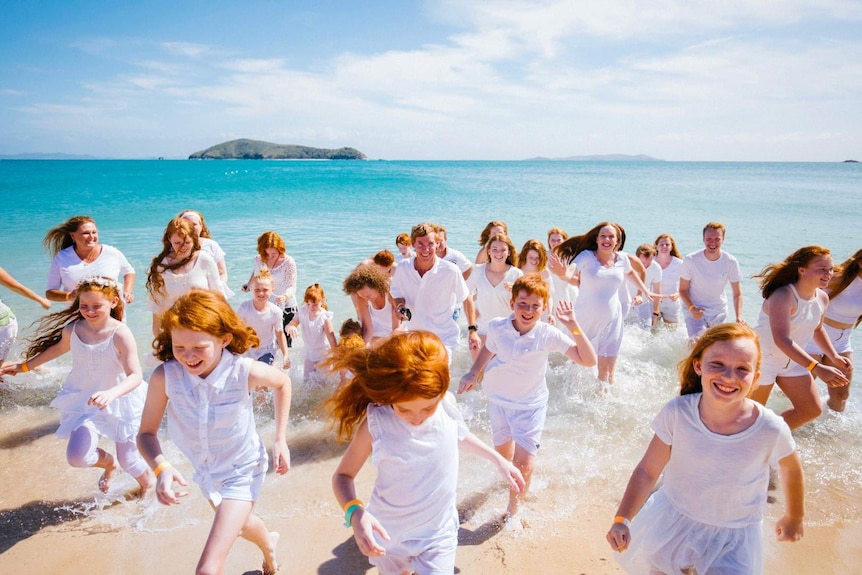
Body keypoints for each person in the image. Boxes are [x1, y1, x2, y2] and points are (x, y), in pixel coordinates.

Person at [606, 323, 804, 574]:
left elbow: (792, 470)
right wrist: (622, 518)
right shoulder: (679, 413)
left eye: (742, 369)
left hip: (735, 537)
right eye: (717, 364)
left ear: (755, 378)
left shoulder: (769, 428)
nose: (729, 376)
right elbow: (647, 470)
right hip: (673, 521)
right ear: (698, 365)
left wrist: (794, 516)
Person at [325, 330, 525, 575]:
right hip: (387, 535)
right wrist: (355, 513)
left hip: (437, 534)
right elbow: (342, 476)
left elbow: (459, 435)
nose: (417, 417)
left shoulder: (446, 405)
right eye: (404, 409)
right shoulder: (377, 422)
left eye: (428, 408)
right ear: (389, 396)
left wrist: (498, 460)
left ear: (441, 391)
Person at [137, 289, 291, 575]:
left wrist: (279, 439)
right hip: (206, 471)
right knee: (241, 525)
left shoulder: (243, 371)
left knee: (207, 569)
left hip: (243, 468)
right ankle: (269, 545)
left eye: (198, 347)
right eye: (180, 347)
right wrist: (161, 469)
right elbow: (146, 433)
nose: (188, 357)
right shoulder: (165, 377)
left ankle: (268, 548)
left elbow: (282, 383)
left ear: (224, 339)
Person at [458, 274, 596, 516]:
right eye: (522, 303)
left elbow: (588, 360)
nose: (528, 310)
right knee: (503, 456)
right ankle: (507, 483)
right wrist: (472, 372)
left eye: (535, 306)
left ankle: (513, 510)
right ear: (512, 304)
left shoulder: (547, 334)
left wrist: (574, 326)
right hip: (498, 400)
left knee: (525, 463)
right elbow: (488, 349)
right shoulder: (498, 327)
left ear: (544, 309)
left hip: (530, 406)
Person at [1, 277, 152, 494]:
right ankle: (110, 465)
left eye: (97, 306)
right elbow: (56, 350)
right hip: (85, 401)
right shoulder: (73, 329)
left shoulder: (120, 333)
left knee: (129, 460)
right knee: (77, 457)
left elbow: (135, 376)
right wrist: (25, 366)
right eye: (84, 306)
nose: (90, 311)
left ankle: (148, 490)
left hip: (121, 401)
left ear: (113, 303)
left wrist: (111, 393)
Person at [749, 246, 850, 429]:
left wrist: (833, 357)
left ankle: (767, 434)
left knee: (811, 410)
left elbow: (817, 329)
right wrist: (817, 367)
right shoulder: (783, 296)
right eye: (821, 269)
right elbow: (782, 339)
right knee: (750, 417)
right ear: (801, 270)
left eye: (830, 269)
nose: (828, 274)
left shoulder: (822, 298)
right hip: (763, 361)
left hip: (792, 363)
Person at [555, 222, 657, 384]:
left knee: (607, 371)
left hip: (612, 319)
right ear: (597, 239)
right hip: (585, 318)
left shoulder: (622, 258)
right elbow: (572, 270)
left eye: (611, 236)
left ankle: (606, 404)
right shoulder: (587, 256)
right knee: (576, 365)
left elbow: (630, 272)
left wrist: (645, 290)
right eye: (603, 236)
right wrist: (563, 273)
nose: (606, 239)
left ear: (617, 242)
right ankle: (571, 401)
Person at [390, 223, 478, 364]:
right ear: (412, 244)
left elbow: (466, 298)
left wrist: (472, 330)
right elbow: (396, 294)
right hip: (413, 337)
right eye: (420, 244)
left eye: (430, 244)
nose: (426, 249)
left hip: (443, 338)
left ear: (437, 244)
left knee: (436, 382)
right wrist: (400, 307)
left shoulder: (450, 270)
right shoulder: (402, 268)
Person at [806, 247, 862, 411]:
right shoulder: (838, 278)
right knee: (802, 391)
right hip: (813, 338)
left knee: (841, 396)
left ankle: (827, 433)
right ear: (860, 263)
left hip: (842, 342)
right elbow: (804, 290)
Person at [146, 218, 223, 337]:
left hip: (204, 327)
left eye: (187, 242)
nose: (183, 247)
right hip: (174, 329)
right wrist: (159, 337)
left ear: (194, 239)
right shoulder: (161, 265)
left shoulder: (204, 259)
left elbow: (219, 296)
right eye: (177, 243)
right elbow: (157, 307)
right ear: (169, 240)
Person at [44, 215, 135, 304]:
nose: (91, 237)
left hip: (112, 315)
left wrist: (128, 291)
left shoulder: (111, 252)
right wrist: (69, 296)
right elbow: (50, 293)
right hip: (76, 316)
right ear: (72, 236)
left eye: (94, 232)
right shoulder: (62, 257)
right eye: (86, 233)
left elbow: (129, 272)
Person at [679, 222, 743, 338]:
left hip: (718, 310)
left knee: (717, 345)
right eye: (709, 239)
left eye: (717, 239)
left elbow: (737, 294)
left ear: (723, 239)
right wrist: (692, 308)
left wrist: (738, 317)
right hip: (694, 308)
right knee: (696, 343)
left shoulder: (731, 262)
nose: (712, 242)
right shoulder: (690, 260)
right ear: (703, 239)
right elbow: (682, 289)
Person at [466, 233, 523, 360]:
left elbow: (526, 301)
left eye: (503, 249)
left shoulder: (516, 274)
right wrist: (472, 312)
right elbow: (464, 294)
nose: (499, 253)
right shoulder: (478, 271)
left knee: (502, 375)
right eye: (495, 249)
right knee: (478, 375)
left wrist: (516, 289)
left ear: (509, 252)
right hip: (481, 330)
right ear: (489, 252)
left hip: (507, 331)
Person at [242, 231, 299, 348]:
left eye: (273, 253)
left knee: (284, 343)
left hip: (286, 306)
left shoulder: (289, 262)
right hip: (264, 306)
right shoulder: (259, 259)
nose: (270, 257)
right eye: (267, 254)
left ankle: (284, 363)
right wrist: (248, 285)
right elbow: (256, 274)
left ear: (280, 249)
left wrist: (285, 296)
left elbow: (292, 286)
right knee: (264, 340)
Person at [236, 268, 290, 369]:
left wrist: (285, 355)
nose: (261, 293)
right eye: (257, 290)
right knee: (249, 381)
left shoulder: (275, 312)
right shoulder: (244, 308)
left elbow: (279, 334)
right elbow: (236, 329)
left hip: (267, 350)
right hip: (247, 350)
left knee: (261, 382)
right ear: (251, 289)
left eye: (265, 290)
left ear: (272, 291)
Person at [0, 266, 51, 364]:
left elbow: (15, 286)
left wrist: (40, 300)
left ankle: (29, 366)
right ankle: (27, 366)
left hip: (3, 325)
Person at [285, 284, 337, 378]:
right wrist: (291, 327)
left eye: (315, 304)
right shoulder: (303, 312)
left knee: (321, 382)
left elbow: (332, 339)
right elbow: (290, 324)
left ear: (322, 301)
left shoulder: (324, 318)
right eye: (308, 304)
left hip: (323, 354)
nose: (311, 307)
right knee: (307, 380)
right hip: (309, 353)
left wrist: (337, 357)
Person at [342, 264, 400, 344]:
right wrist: (363, 348)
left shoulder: (390, 292)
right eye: (362, 296)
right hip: (375, 333)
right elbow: (367, 329)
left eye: (368, 295)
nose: (366, 299)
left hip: (396, 332)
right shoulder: (361, 297)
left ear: (377, 286)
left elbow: (396, 328)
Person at [178, 209, 231, 290]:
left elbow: (222, 272)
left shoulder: (211, 245)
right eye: (187, 224)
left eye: (194, 224)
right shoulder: (176, 247)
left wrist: (217, 289)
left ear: (201, 226)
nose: (191, 227)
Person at [517, 239, 554, 321]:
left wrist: (550, 313)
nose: (534, 261)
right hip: (519, 308)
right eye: (531, 257)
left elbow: (549, 296)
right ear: (525, 255)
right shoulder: (517, 268)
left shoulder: (544, 272)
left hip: (537, 309)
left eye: (537, 258)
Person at [654, 233, 684, 328]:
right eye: (661, 244)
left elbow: (687, 285)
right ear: (656, 246)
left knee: (673, 332)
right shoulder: (650, 262)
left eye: (667, 244)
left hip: (671, 303)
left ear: (671, 247)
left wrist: (678, 294)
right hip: (653, 303)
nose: (664, 246)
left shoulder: (679, 264)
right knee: (651, 332)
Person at [632, 243, 662, 330]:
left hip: (643, 304)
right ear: (637, 257)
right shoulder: (629, 265)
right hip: (626, 303)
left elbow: (657, 291)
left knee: (646, 332)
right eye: (644, 260)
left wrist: (655, 313)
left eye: (650, 259)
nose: (647, 262)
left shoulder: (656, 268)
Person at [547, 227, 579, 306]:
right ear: (549, 241)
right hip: (550, 291)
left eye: (559, 240)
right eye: (553, 240)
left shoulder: (571, 256)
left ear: (564, 241)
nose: (556, 243)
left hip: (568, 290)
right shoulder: (544, 255)